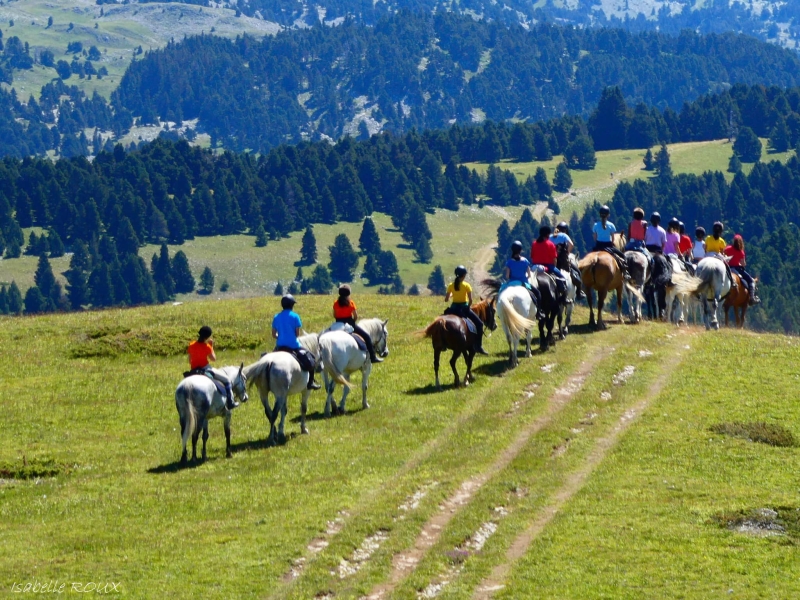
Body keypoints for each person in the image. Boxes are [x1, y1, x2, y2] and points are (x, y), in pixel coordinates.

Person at [272, 294, 320, 390]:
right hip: (293, 346)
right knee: (311, 359)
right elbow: (297, 334)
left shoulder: (276, 317)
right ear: (292, 305)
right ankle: (311, 382)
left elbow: (274, 335)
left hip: (280, 346)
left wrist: (280, 337)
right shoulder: (295, 316)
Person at [187, 325, 237, 410]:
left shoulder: (191, 344)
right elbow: (213, 359)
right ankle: (230, 402)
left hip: (193, 369)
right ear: (207, 337)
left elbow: (189, 359)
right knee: (227, 380)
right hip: (205, 368)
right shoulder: (207, 347)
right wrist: (211, 346)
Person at [332, 285, 384, 363]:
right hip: (349, 323)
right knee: (366, 337)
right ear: (348, 294)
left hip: (338, 323)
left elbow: (334, 315)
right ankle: (373, 357)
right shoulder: (351, 303)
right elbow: (356, 316)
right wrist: (353, 321)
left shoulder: (336, 303)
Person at [444, 266, 489, 355]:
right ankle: (478, 346)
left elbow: (446, 299)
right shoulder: (466, 285)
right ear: (464, 275)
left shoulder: (450, 285)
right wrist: (468, 307)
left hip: (453, 309)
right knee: (479, 324)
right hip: (463, 308)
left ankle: (444, 343)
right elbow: (470, 300)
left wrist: (452, 295)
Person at [504, 240, 544, 319]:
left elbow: (507, 276)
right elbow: (529, 275)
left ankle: (500, 312)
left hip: (511, 284)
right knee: (538, 293)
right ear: (520, 250)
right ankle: (539, 312)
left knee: (501, 292)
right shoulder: (525, 261)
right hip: (524, 284)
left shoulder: (509, 262)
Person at [531, 225, 568, 299]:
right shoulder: (550, 244)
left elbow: (532, 256)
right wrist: (554, 266)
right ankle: (562, 294)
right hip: (548, 266)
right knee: (562, 277)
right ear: (547, 234)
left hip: (535, 266)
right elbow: (554, 259)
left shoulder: (534, 244)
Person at [551, 221, 586, 300]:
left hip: (551, 261)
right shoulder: (564, 235)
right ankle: (579, 292)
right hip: (562, 261)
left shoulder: (551, 236)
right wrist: (567, 253)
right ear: (566, 230)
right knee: (577, 272)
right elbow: (571, 245)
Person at [724, 234, 760, 305]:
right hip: (737, 268)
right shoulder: (741, 252)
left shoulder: (728, 248)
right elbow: (743, 264)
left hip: (727, 268)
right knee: (750, 280)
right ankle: (752, 298)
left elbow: (724, 255)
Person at [705, 222, 735, 288]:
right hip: (717, 255)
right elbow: (722, 252)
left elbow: (705, 248)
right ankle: (732, 281)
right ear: (721, 231)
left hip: (708, 255)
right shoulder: (722, 241)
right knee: (727, 266)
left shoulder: (708, 238)